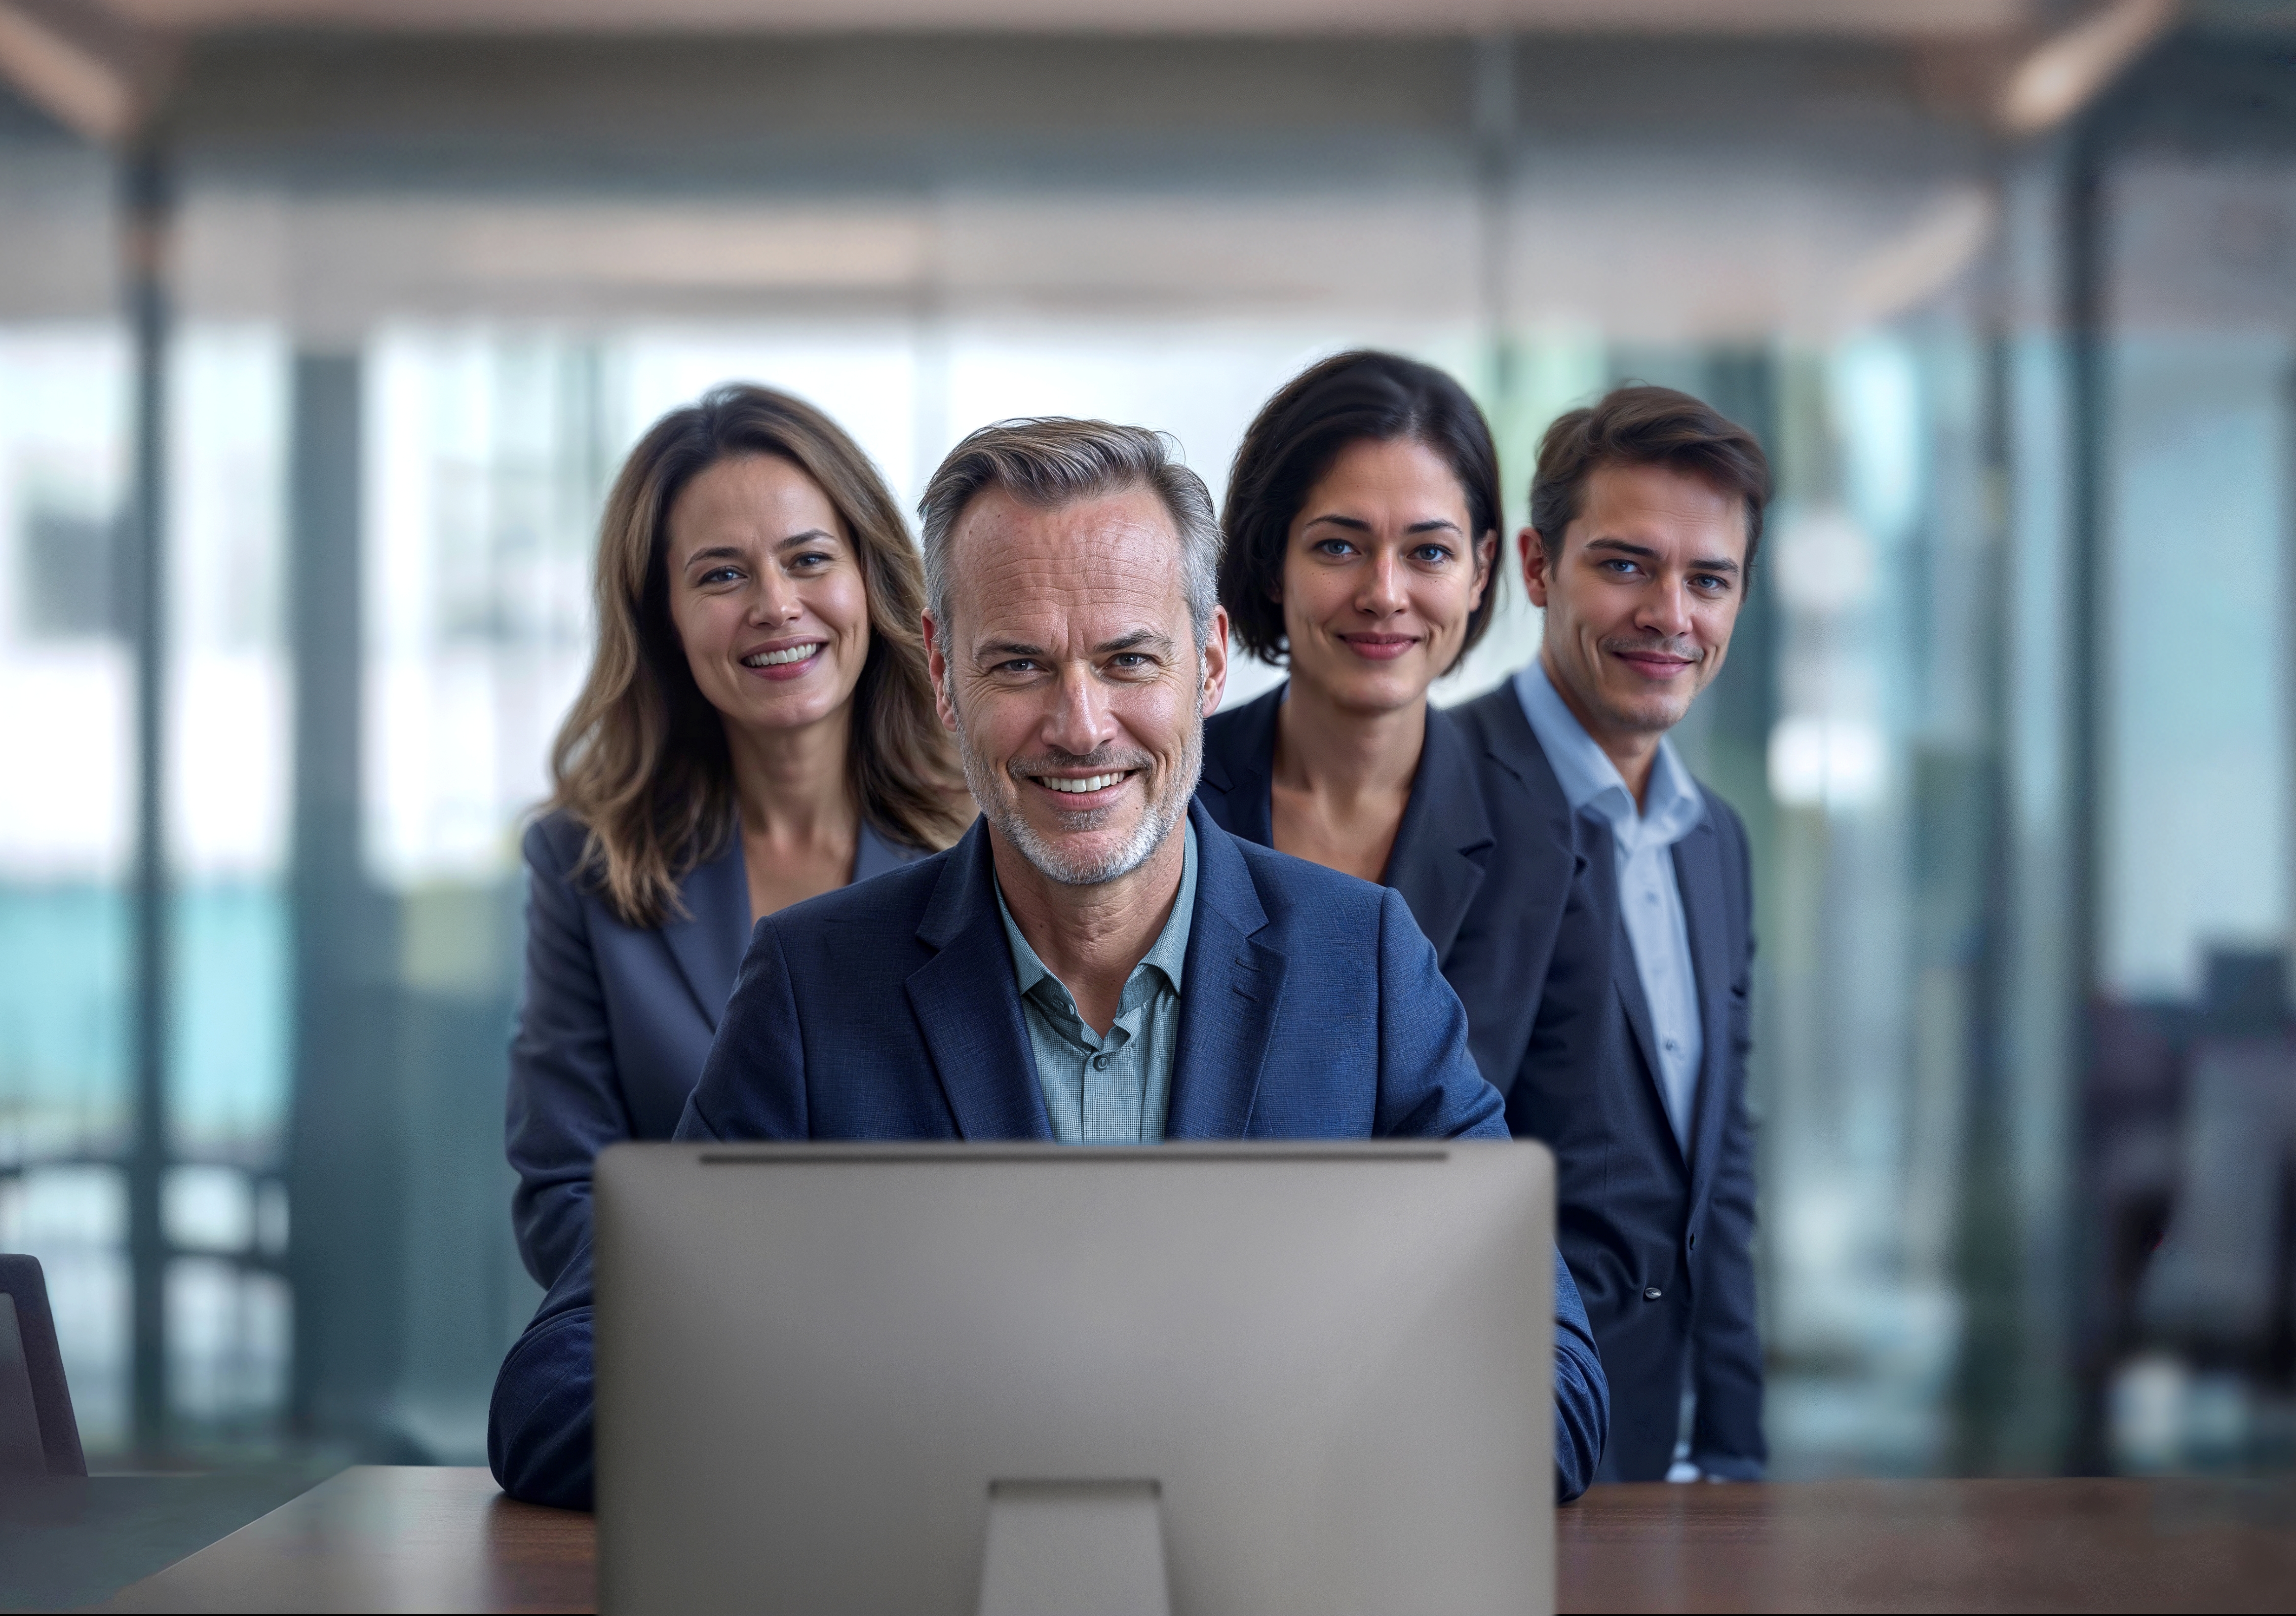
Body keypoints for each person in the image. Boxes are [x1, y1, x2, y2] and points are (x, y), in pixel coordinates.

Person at [489, 415, 1607, 1510]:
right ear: (941, 671)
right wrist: (906, 1429)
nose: (1080, 724)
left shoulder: (1361, 962)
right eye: (1018, 663)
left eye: (1129, 659)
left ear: (1209, 661)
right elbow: (554, 1392)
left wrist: (1272, 1443)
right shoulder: (813, 986)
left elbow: (1552, 1385)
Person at [490, 385, 968, 1501]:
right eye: (721, 574)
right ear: (660, 616)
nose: (775, 605)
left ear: (868, 578)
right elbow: (566, 1182)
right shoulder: (584, 862)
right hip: (700, 1365)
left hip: (949, 1370)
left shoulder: (989, 841)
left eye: (808, 559)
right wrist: (751, 1335)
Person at [1460, 383, 1770, 1483]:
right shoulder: (1436, 795)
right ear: (1539, 567)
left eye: (1709, 579)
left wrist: (1734, 1446)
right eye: (1627, 564)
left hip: (1683, 1463)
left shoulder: (1714, 840)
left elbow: (1717, 1181)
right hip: (1507, 1452)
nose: (1670, 615)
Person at [1195, 349, 1612, 1123]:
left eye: (1428, 552)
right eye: (1339, 546)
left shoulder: (1556, 836)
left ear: (1482, 570)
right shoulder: (1166, 799)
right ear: (1273, 562)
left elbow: (1571, 1160)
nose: (1385, 593)